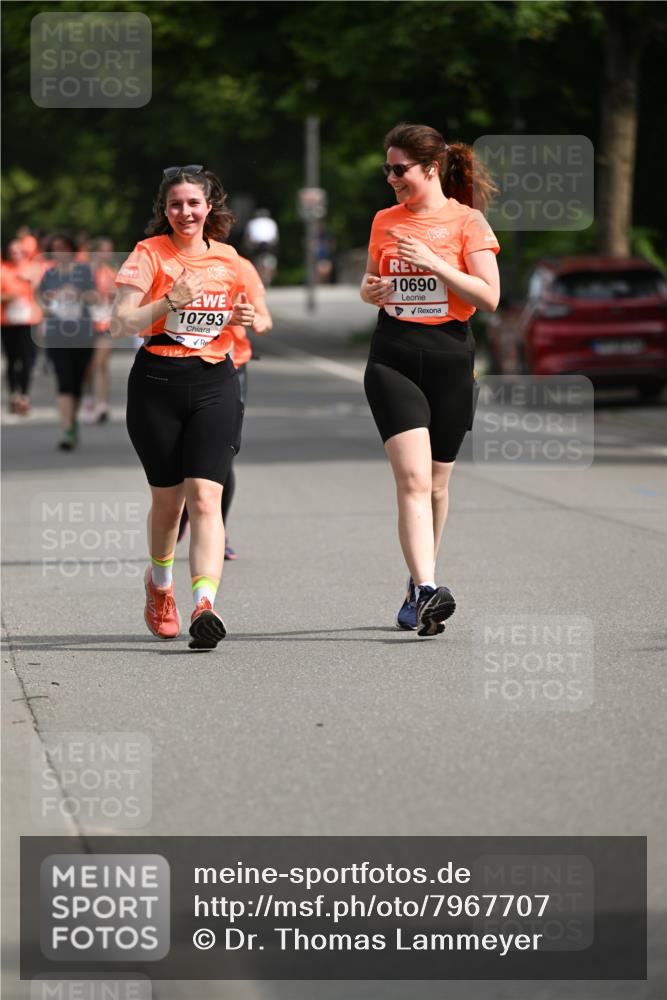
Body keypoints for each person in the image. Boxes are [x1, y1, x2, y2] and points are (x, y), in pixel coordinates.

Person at [360, 123, 500, 637]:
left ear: (431, 169)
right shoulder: (384, 221)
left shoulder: (469, 222)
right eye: (387, 169)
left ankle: (418, 585)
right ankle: (426, 590)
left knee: (438, 486)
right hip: (393, 355)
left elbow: (489, 297)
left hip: (449, 357)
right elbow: (371, 282)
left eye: (400, 169)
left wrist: (437, 264)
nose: (392, 178)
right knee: (414, 480)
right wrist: (370, 291)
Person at [111, 165, 255, 651]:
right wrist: (169, 300)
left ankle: (204, 605)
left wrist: (242, 317)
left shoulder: (230, 259)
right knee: (168, 503)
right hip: (156, 382)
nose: (185, 212)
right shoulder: (149, 254)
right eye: (176, 205)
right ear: (164, 210)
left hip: (215, 379)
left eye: (194, 203)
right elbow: (119, 323)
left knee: (206, 497)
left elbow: (226, 317)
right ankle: (160, 587)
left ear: (209, 206)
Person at [177, 254, 273, 557]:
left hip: (230, 365)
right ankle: (181, 509)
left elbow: (264, 320)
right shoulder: (168, 259)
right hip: (179, 364)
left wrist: (253, 319)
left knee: (221, 453)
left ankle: (218, 529)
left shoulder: (237, 265)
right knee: (180, 448)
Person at [38, 234, 97, 449]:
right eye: (55, 249)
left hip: (82, 333)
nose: (59, 252)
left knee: (77, 382)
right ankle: (67, 429)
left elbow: (95, 297)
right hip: (56, 334)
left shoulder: (83, 271)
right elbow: (41, 302)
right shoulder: (49, 274)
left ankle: (72, 421)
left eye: (62, 248)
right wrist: (53, 303)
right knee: (63, 381)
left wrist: (77, 294)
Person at [0, 239, 42, 414]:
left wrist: (32, 282)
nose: (16, 254)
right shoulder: (3, 269)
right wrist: (10, 296)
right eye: (12, 251)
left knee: (27, 360)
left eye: (19, 251)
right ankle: (13, 395)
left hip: (28, 321)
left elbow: (43, 292)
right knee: (11, 360)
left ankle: (24, 396)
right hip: (8, 320)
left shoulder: (33, 268)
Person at [81, 237, 117, 424]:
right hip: (85, 324)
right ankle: (88, 400)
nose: (107, 254)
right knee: (88, 366)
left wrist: (114, 294)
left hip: (104, 322)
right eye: (104, 250)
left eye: (109, 250)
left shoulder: (110, 272)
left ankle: (102, 405)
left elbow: (119, 294)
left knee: (101, 364)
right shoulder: (83, 271)